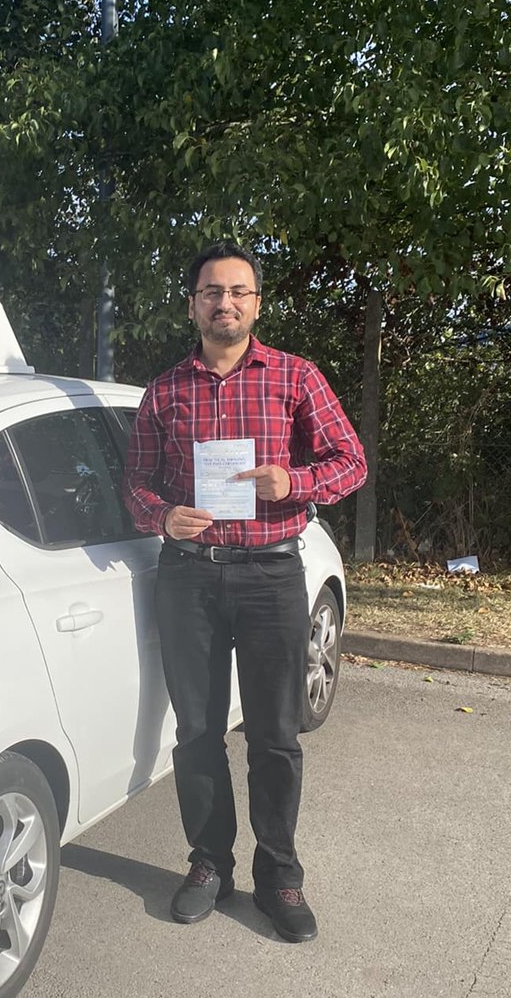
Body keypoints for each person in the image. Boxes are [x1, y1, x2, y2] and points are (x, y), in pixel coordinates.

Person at [123, 240, 367, 940]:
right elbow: (135, 483)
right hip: (190, 575)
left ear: (256, 303)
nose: (224, 302)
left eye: (237, 291)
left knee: (275, 734)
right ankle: (209, 864)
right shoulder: (165, 391)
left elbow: (351, 462)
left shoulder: (295, 377)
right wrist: (161, 516)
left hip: (269, 574)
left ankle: (279, 877)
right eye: (211, 291)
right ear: (193, 304)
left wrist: (297, 482)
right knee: (197, 731)